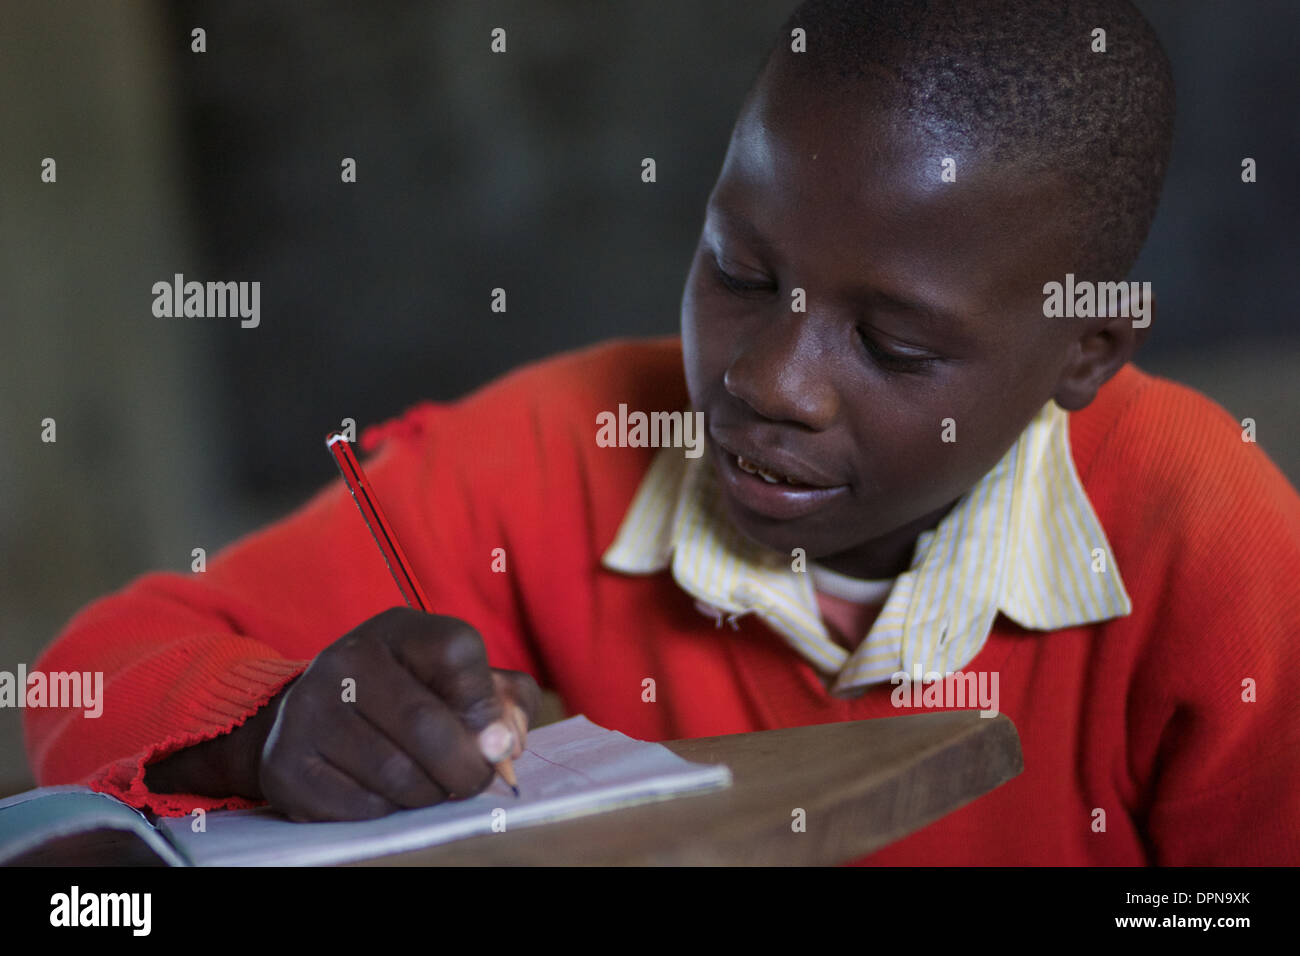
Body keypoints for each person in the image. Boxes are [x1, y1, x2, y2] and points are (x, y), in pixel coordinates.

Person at [25, 0, 1300, 864]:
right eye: (740, 271)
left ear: (1084, 350)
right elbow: (93, 669)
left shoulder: (1207, 535)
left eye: (893, 345)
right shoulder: (556, 447)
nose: (771, 379)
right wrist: (280, 726)